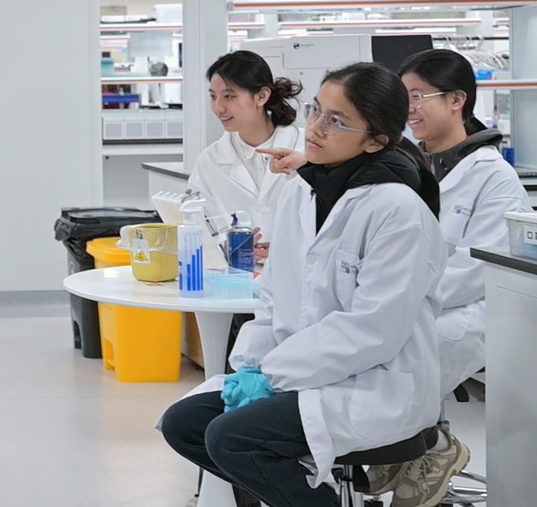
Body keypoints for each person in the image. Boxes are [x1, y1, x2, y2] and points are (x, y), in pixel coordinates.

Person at [159, 62, 445, 507]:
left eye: (336, 121)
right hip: (302, 371)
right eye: (316, 111)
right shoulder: (302, 190)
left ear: (375, 141)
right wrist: (249, 367)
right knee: (185, 424)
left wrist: (273, 375)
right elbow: (274, 295)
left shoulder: (397, 209)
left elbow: (374, 330)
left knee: (232, 439)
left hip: (373, 382)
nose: (314, 128)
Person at [361, 49, 532, 507]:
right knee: (362, 349)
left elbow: (476, 267)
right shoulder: (408, 165)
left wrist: (405, 296)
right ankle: (399, 447)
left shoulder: (494, 177)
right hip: (410, 300)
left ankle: (429, 450)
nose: (409, 109)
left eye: (418, 96)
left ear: (457, 100)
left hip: (469, 310)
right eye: (404, 98)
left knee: (399, 358)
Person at [188, 50, 305, 264]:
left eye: (229, 96)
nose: (218, 108)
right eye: (213, 96)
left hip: (298, 270)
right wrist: (227, 245)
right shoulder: (210, 161)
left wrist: (289, 249)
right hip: (238, 273)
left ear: (261, 97)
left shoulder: (306, 149)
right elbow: (199, 225)